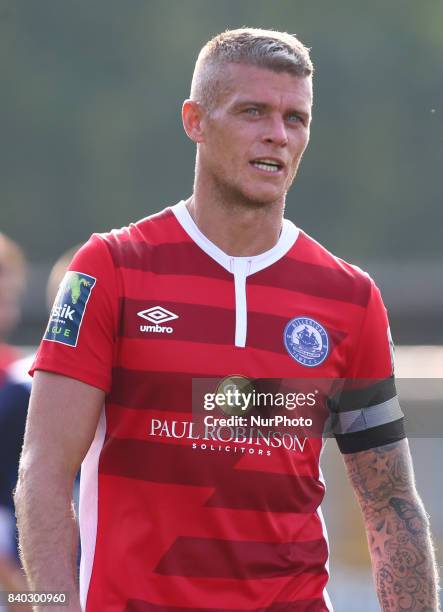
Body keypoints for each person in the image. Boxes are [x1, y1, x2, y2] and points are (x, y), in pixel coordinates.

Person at [15, 28, 439, 611]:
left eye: (296, 118)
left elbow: (390, 501)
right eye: (253, 112)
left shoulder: (350, 297)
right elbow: (44, 470)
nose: (277, 134)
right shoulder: (110, 267)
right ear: (194, 120)